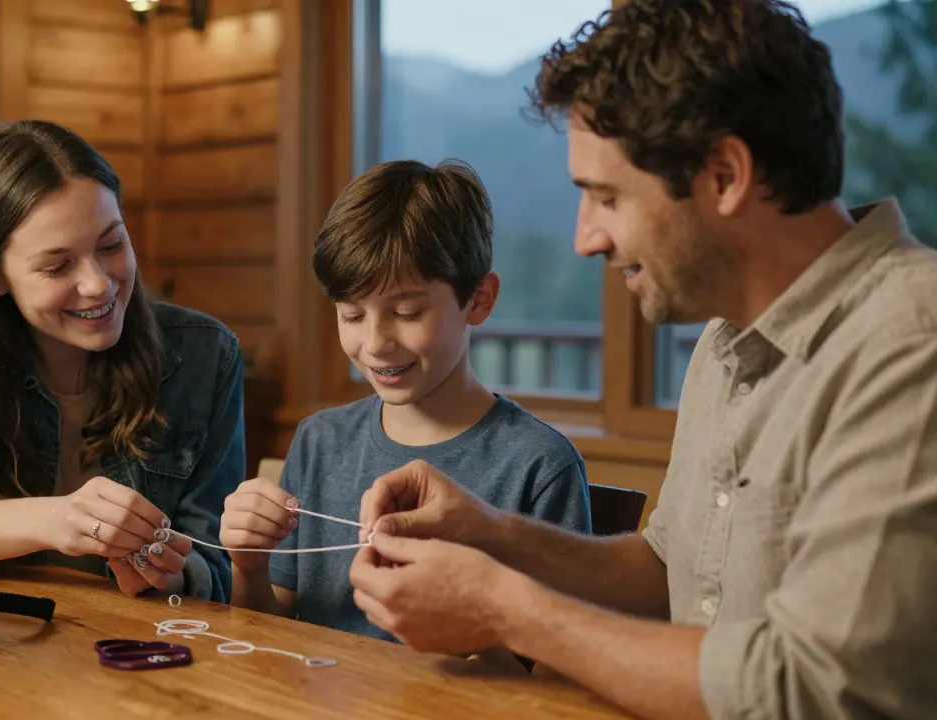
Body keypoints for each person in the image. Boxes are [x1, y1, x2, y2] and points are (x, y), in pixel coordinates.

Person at [348, 1, 937, 718]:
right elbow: (668, 574)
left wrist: (506, 611)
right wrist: (490, 532)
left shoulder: (911, 344)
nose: (585, 238)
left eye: (605, 196)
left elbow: (811, 689)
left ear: (724, 175)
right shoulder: (724, 347)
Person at [0, 120, 246, 603]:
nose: (98, 285)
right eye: (57, 266)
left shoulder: (206, 355)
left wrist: (164, 573)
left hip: (140, 649)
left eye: (111, 245)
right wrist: (51, 520)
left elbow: (217, 561)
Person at [219, 159, 592, 642]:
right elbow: (269, 639)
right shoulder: (319, 442)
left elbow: (551, 682)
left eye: (406, 312)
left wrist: (462, 625)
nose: (375, 343)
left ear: (479, 299)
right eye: (352, 315)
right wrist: (248, 566)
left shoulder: (537, 467)